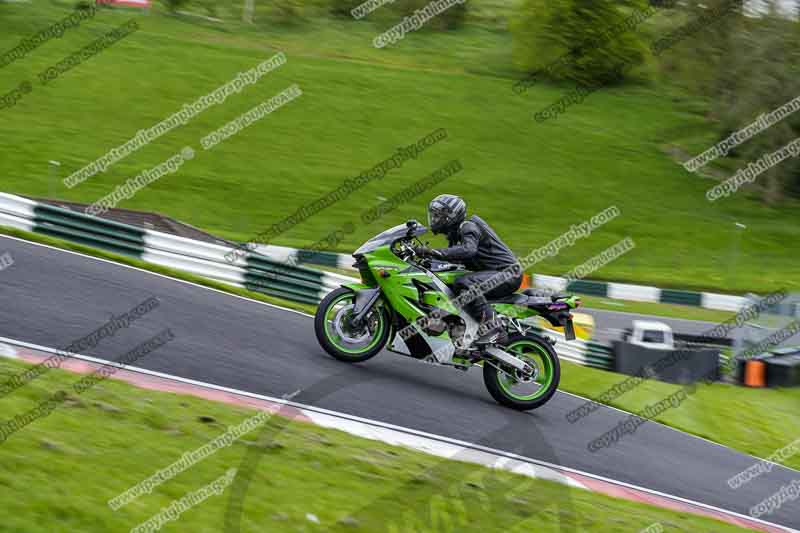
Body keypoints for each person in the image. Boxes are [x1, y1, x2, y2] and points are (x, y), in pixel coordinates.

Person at [414, 194, 522, 346]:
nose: (435, 219)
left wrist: (433, 252)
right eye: (434, 215)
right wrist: (426, 261)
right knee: (451, 281)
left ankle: (494, 329)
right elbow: (455, 259)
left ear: (451, 216)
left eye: (439, 215)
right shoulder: (455, 235)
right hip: (496, 274)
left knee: (464, 281)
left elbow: (468, 250)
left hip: (508, 273)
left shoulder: (468, 227)